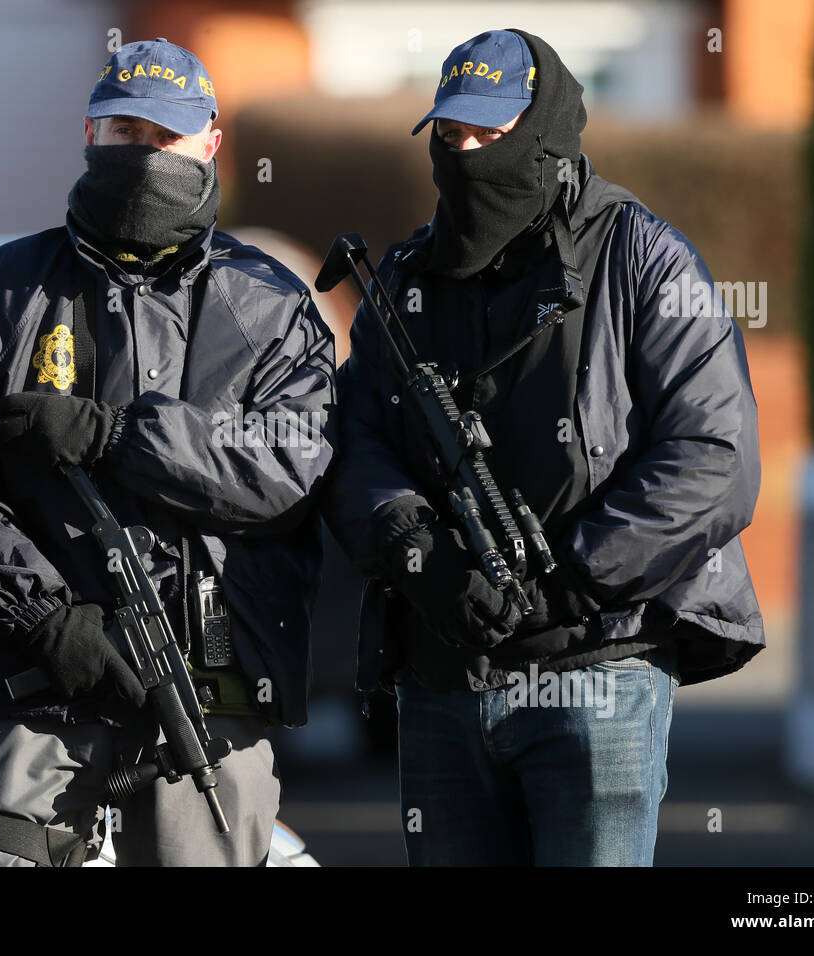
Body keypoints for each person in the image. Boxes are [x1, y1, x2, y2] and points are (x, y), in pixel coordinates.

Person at [322, 28, 763, 866]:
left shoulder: (646, 260)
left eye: (494, 133)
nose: (470, 155)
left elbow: (714, 457)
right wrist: (418, 551)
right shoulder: (409, 277)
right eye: (453, 137)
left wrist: (569, 578)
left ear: (549, 130)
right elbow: (357, 440)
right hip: (443, 680)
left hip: (600, 670)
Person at [0, 37, 335, 867]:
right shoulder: (2, 289)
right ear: (89, 136)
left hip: (212, 694)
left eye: (164, 138)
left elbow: (286, 471)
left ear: (209, 144)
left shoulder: (273, 305)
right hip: (34, 689)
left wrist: (117, 436)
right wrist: (48, 623)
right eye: (124, 132)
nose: (143, 155)